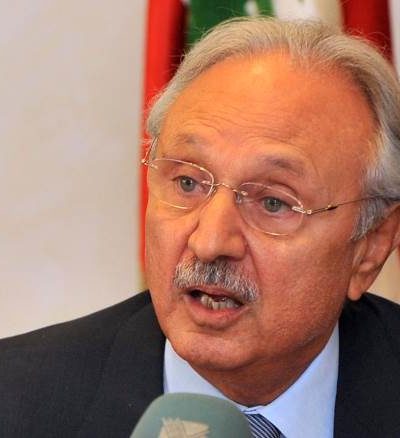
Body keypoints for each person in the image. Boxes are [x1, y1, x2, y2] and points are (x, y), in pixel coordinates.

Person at [1, 16, 400, 438]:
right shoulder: (15, 403)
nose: (209, 242)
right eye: (188, 183)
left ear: (371, 246)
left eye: (273, 202)